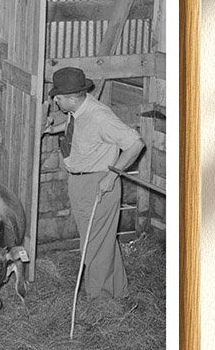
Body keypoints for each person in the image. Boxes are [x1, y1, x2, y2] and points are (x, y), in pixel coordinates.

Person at [43, 67, 145, 300]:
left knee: (94, 245)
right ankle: (118, 293)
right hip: (80, 183)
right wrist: (53, 129)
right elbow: (78, 129)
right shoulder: (79, 109)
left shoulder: (100, 116)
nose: (54, 101)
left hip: (99, 184)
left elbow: (135, 143)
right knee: (102, 241)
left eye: (57, 98)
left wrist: (111, 177)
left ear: (70, 97)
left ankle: (101, 305)